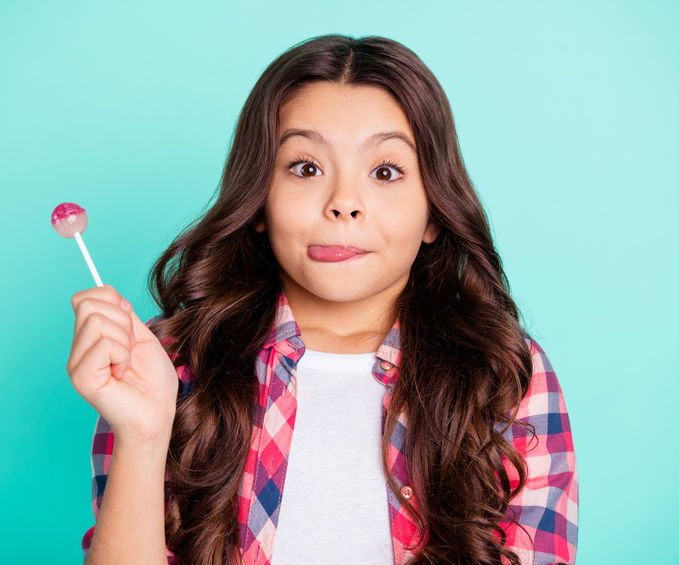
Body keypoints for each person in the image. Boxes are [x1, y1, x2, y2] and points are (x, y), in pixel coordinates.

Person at [66, 34, 578, 565]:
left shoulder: (504, 370)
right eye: (306, 168)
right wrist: (142, 434)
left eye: (385, 171)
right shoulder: (165, 365)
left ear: (434, 210)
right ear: (258, 200)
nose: (344, 204)